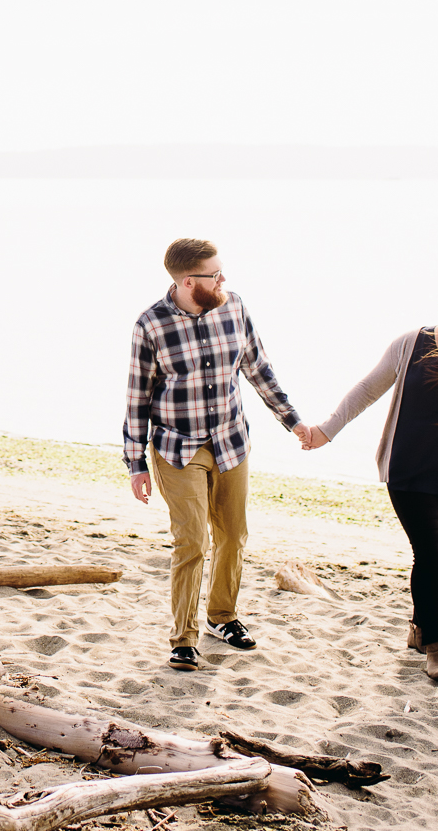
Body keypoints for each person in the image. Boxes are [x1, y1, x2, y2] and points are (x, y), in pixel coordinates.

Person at [297, 279, 438, 685]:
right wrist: (327, 430)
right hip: (407, 472)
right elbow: (369, 388)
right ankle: (437, 646)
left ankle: (420, 629)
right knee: (432, 556)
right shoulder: (410, 344)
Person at [125, 238, 313, 671]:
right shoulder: (150, 326)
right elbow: (138, 398)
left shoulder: (235, 307)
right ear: (189, 281)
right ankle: (184, 638)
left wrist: (293, 421)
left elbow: (258, 369)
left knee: (232, 534)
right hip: (178, 448)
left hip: (231, 442)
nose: (224, 279)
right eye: (215, 274)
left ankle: (222, 617)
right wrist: (135, 464)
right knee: (191, 541)